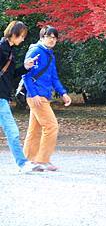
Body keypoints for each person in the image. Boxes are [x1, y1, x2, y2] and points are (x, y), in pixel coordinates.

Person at [22, 25, 72, 172]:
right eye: (48, 36)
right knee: (51, 126)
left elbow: (54, 77)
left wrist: (63, 93)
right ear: (42, 37)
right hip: (37, 96)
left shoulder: (49, 54)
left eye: (54, 37)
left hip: (43, 95)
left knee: (35, 129)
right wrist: (33, 94)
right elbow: (26, 75)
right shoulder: (36, 51)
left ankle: (29, 161)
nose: (52, 39)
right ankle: (42, 160)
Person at [0, 21, 39, 172]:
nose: (23, 39)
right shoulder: (2, 49)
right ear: (14, 34)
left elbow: (11, 76)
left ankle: (23, 163)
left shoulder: (8, 50)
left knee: (12, 131)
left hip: (3, 96)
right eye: (22, 36)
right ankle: (22, 164)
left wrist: (25, 67)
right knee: (12, 131)